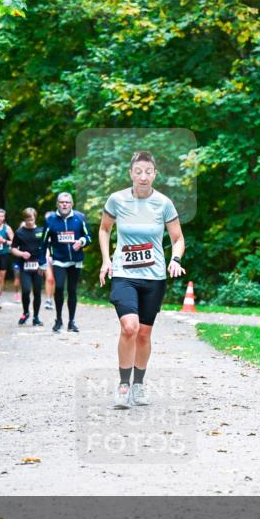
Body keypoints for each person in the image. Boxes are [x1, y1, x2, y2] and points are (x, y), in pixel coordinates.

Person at [98, 151, 186, 408]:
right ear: (131, 173)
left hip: (154, 277)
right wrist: (106, 260)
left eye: (148, 171)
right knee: (130, 327)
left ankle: (139, 384)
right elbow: (104, 229)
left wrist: (175, 259)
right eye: (139, 171)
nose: (143, 176)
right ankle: (124, 385)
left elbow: (178, 238)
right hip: (124, 274)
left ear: (155, 174)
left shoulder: (164, 203)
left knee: (144, 334)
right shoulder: (117, 200)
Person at [43, 192, 92, 333]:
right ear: (57, 204)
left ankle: (71, 321)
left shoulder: (79, 218)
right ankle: (58, 320)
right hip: (58, 259)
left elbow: (88, 236)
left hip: (75, 260)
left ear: (72, 204)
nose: (64, 204)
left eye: (67, 202)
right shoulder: (50, 220)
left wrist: (82, 242)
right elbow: (44, 242)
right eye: (62, 202)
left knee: (71, 290)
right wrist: (42, 261)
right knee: (58, 287)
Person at [10, 207, 47, 326]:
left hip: (38, 266)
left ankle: (36, 317)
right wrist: (21, 254)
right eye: (27, 219)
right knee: (26, 290)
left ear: (35, 218)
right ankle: (26, 312)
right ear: (24, 219)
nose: (29, 222)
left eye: (31, 219)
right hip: (24, 267)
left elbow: (46, 247)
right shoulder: (20, 232)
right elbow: (13, 249)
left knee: (37, 292)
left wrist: (44, 261)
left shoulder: (41, 231)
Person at [0, 208, 14, 311]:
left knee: (1, 277)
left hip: (3, 255)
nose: (1, 218)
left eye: (2, 216)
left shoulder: (7, 228)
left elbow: (14, 243)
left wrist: (4, 241)